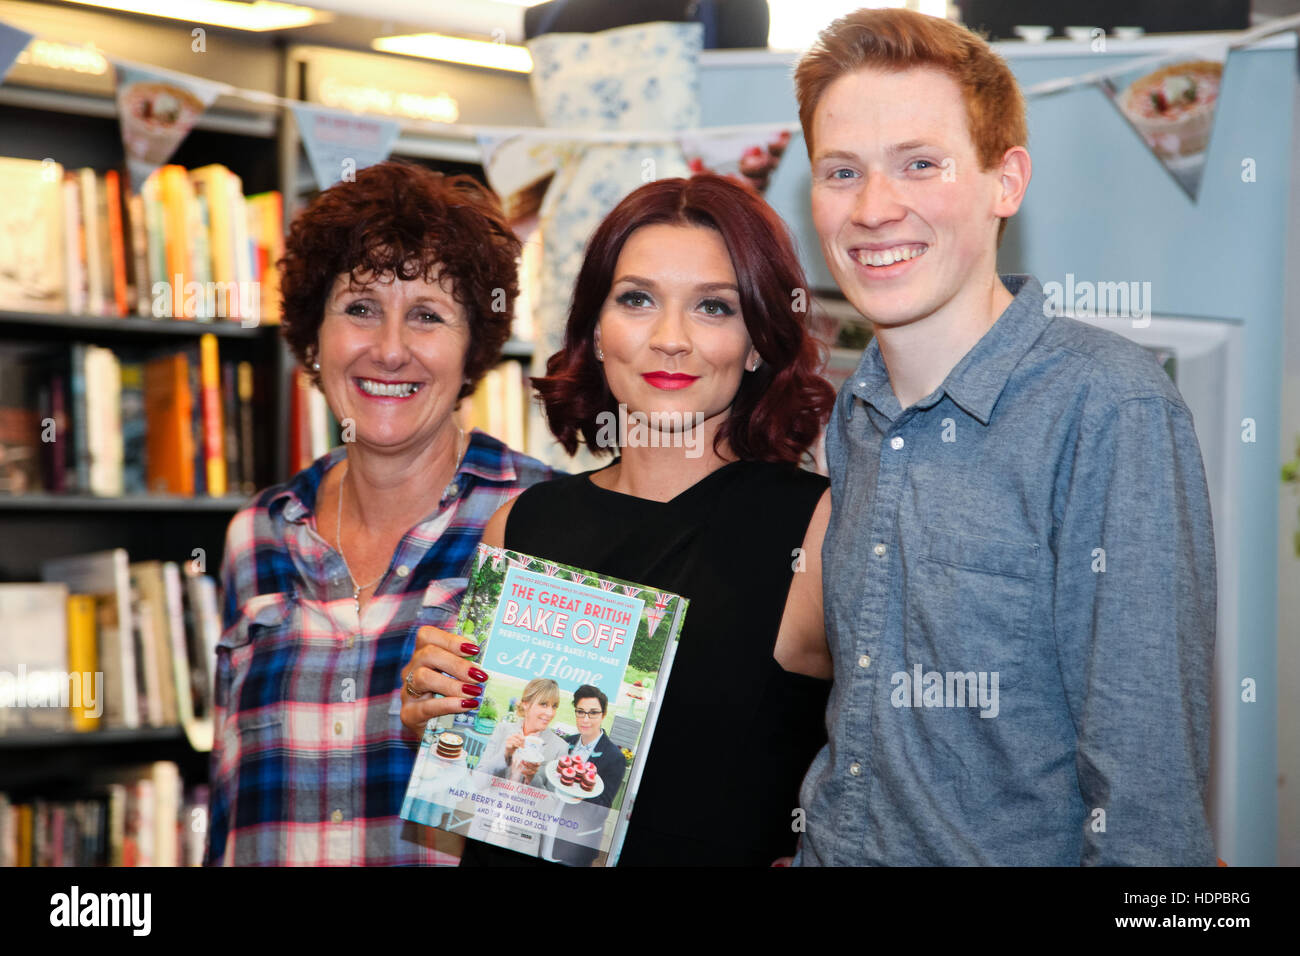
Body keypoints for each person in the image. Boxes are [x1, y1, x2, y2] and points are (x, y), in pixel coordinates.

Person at [792, 9, 1217, 865]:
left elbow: (1148, 806)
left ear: (1005, 181)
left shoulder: (1108, 409)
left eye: (920, 163)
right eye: (843, 171)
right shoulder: (857, 410)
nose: (875, 208)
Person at [404, 173, 837, 866]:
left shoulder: (816, 528)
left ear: (759, 340)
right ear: (597, 333)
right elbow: (477, 815)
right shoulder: (521, 527)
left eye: (714, 307)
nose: (670, 338)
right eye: (637, 300)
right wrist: (441, 722)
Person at [207, 160, 554, 866]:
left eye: (427, 315)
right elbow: (230, 808)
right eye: (360, 308)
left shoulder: (543, 523)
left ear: (472, 350)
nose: (390, 349)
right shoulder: (257, 535)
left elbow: (558, 813)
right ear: (313, 336)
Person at [476, 678, 568, 783]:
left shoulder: (560, 748)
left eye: (554, 706)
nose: (550, 713)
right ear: (525, 703)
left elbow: (553, 799)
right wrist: (505, 755)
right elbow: (477, 782)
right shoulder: (502, 730)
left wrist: (532, 778)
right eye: (544, 704)